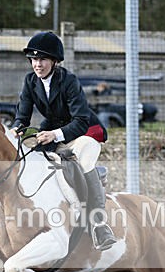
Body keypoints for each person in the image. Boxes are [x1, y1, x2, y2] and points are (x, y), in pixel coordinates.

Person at [10, 31, 116, 251]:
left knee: (84, 158)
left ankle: (99, 223)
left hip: (83, 131)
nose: (37, 65)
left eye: (42, 60)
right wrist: (16, 130)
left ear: (54, 61)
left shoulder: (68, 81)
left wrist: (55, 134)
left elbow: (80, 119)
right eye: (33, 59)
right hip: (52, 130)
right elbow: (23, 115)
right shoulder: (30, 81)